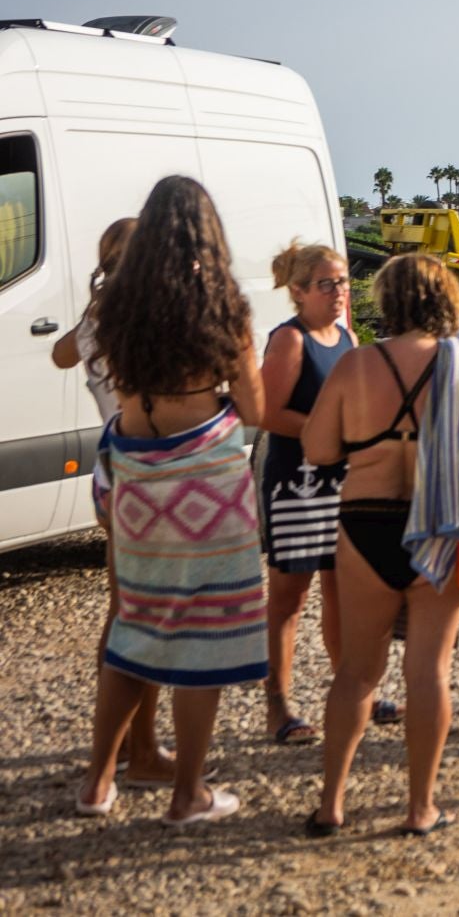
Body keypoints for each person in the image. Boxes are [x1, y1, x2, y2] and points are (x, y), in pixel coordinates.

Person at [77, 177, 267, 825]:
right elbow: (256, 408)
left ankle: (97, 785)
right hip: (205, 483)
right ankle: (188, 794)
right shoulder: (223, 304)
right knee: (203, 637)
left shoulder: (115, 306)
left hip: (134, 480)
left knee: (134, 626)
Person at [303, 254, 459, 836]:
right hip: (441, 522)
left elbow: (318, 450)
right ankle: (420, 809)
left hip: (365, 520)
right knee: (428, 673)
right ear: (447, 300)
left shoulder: (356, 364)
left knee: (357, 674)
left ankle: (330, 805)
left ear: (388, 301)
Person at [53, 218, 178, 790]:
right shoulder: (146, 320)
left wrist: (90, 313)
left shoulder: (100, 318)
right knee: (147, 618)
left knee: (120, 611)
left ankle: (122, 748)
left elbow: (60, 355)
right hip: (148, 467)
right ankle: (141, 751)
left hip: (110, 465)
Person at [257, 243, 356, 744]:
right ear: (298, 291)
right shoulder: (289, 340)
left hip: (341, 481)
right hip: (295, 483)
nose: (339, 292)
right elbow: (264, 412)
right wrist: (328, 433)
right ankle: (278, 704)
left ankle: (351, 691)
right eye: (327, 284)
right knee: (289, 598)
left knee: (342, 590)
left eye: (343, 282)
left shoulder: (345, 335)